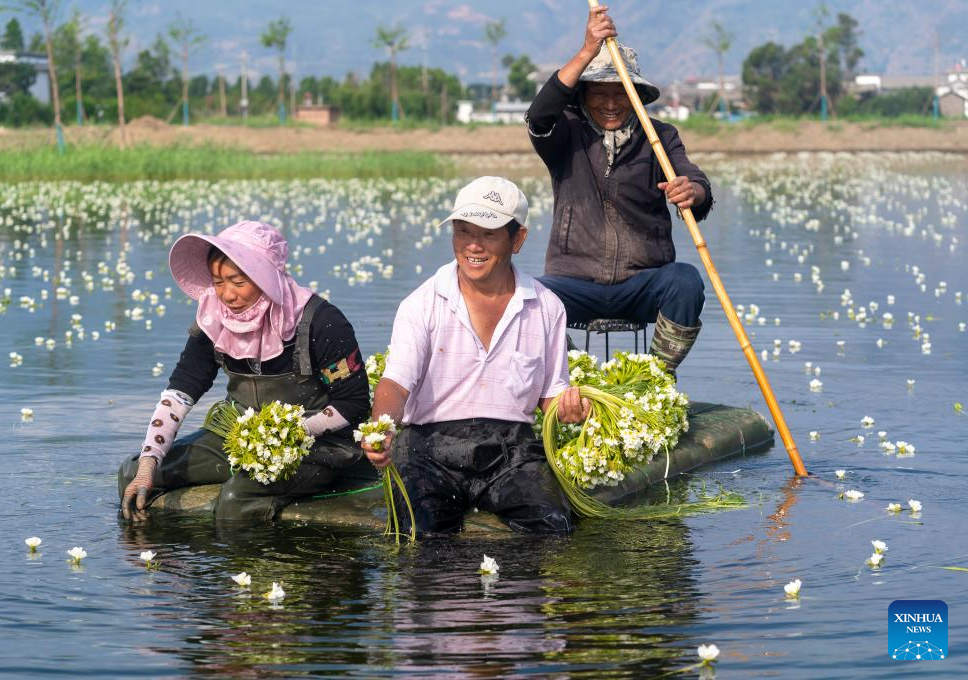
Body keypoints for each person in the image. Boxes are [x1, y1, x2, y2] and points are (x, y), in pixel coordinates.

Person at [359, 177, 589, 535]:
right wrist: (380, 429)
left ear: (518, 239)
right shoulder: (422, 303)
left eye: (489, 234)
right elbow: (396, 384)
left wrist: (572, 408)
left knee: (552, 528)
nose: (473, 246)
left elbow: (550, 395)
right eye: (463, 232)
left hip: (511, 452)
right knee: (421, 533)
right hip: (427, 449)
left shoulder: (546, 307)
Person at [118, 221, 373, 522]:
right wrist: (150, 463)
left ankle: (263, 564)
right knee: (131, 473)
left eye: (238, 282)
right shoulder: (213, 318)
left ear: (265, 278)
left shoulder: (320, 321)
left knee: (236, 500)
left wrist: (286, 434)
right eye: (218, 282)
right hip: (238, 435)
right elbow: (180, 393)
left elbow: (353, 404)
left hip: (315, 444)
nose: (226, 295)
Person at [525, 4, 714, 374]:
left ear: (637, 96)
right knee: (526, 298)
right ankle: (572, 378)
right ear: (583, 94)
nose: (610, 103)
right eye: (599, 92)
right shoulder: (565, 131)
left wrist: (692, 190)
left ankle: (654, 381)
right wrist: (586, 51)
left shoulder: (659, 136)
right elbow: (538, 116)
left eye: (620, 93)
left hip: (643, 282)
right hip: (574, 280)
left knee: (686, 281)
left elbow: (695, 179)